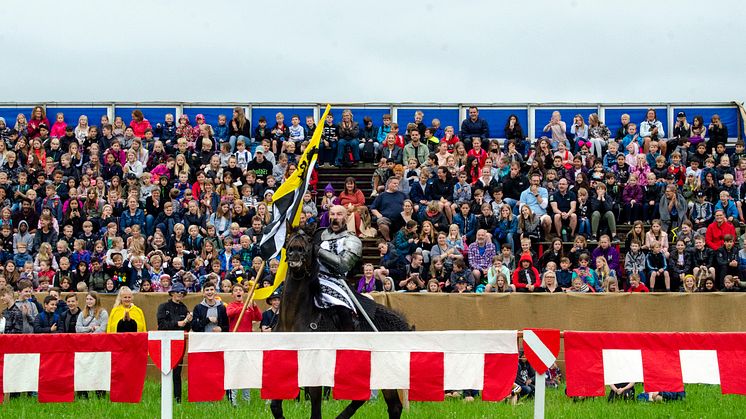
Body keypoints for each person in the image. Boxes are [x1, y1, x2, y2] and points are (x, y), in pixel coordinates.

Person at [314, 205, 363, 330]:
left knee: (342, 307)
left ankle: (348, 336)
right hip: (315, 278)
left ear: (346, 217)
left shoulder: (352, 240)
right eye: (332, 214)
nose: (335, 218)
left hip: (337, 281)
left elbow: (343, 266)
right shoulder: (319, 236)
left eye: (339, 214)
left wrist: (319, 251)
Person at [156, 282, 191, 403]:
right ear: (171, 293)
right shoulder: (163, 307)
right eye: (177, 292)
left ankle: (178, 399)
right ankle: (164, 398)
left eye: (182, 293)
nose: (179, 294)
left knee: (177, 372)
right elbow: (161, 325)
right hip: (165, 341)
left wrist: (188, 321)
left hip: (179, 342)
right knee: (166, 370)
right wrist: (176, 324)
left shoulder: (184, 308)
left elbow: (187, 327)